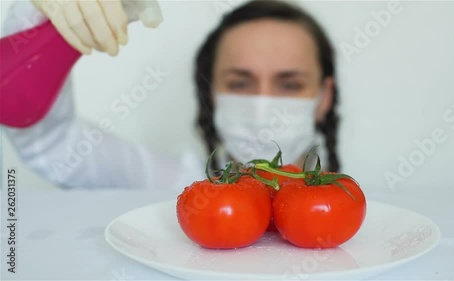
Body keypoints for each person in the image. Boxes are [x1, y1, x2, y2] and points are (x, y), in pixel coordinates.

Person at [2, 0, 340, 189]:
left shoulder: (358, 213)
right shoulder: (166, 187)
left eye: (289, 84)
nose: (263, 104)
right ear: (211, 96)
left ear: (324, 97)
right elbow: (52, 146)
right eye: (240, 83)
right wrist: (36, 26)